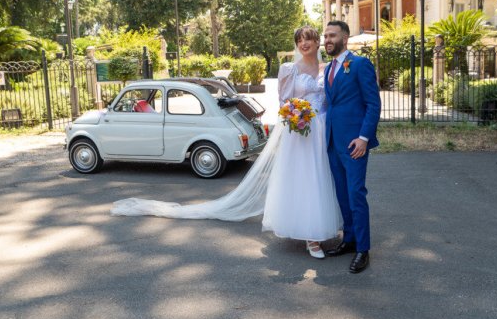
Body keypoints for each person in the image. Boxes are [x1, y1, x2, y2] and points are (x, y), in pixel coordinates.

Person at [111, 26, 342, 260]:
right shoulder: (289, 69)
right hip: (299, 132)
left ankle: (318, 226)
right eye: (300, 40)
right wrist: (296, 114)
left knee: (322, 178)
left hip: (322, 130)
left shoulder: (328, 68)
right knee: (304, 179)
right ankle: (311, 237)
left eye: (309, 39)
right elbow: (284, 102)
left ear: (317, 42)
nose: (304, 44)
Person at [323, 20, 381, 273]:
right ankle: (348, 240)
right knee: (342, 194)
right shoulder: (328, 69)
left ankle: (363, 249)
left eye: (332, 35)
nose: (327, 40)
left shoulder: (359, 65)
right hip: (333, 141)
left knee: (356, 193)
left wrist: (364, 138)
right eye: (325, 36)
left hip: (355, 143)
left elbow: (373, 104)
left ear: (344, 39)